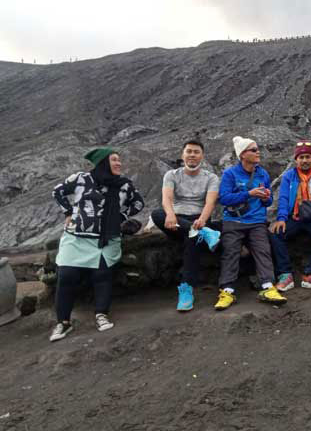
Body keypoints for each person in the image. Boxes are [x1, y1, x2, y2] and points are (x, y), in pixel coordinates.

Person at [50, 148, 144, 341]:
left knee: (102, 274)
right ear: (102, 163)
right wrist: (68, 212)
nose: (119, 163)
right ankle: (63, 323)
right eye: (114, 160)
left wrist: (122, 216)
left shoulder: (124, 184)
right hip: (76, 237)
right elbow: (58, 191)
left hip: (106, 239)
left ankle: (101, 314)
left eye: (119, 160)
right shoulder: (81, 179)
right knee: (66, 275)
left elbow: (139, 203)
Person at [216, 136, 286, 309]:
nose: (258, 152)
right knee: (230, 252)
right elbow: (223, 198)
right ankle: (227, 291)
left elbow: (268, 202)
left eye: (257, 149)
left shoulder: (262, 173)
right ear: (242, 155)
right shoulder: (230, 174)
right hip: (234, 221)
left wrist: (266, 198)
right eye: (253, 150)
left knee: (263, 250)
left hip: (256, 221)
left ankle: (268, 287)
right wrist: (249, 194)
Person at [150, 140, 221, 312]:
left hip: (199, 219)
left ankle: (186, 289)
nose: (192, 155)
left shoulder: (211, 178)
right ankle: (206, 233)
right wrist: (171, 214)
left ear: (202, 156)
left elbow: (210, 203)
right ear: (183, 155)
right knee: (156, 214)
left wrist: (202, 220)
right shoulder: (172, 175)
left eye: (196, 152)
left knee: (192, 237)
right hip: (177, 219)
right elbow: (167, 198)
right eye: (188, 151)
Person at [269, 141, 311, 291]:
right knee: (275, 233)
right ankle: (285, 274)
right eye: (301, 157)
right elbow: (284, 198)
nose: (305, 160)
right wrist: (281, 218)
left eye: (308, 157)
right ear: (296, 160)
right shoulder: (289, 176)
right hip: (294, 216)